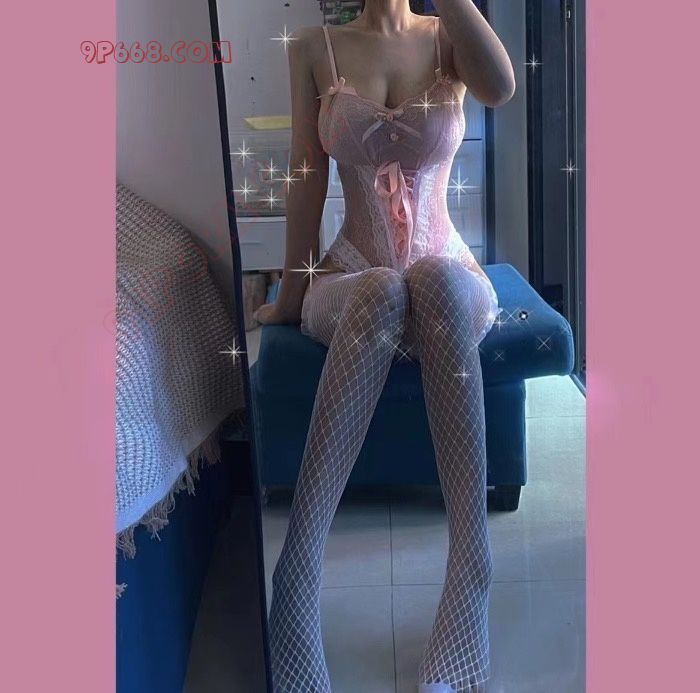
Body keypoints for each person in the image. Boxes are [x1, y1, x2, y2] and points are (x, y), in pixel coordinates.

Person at [253, 1, 515, 690]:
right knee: (382, 289)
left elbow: (501, 88)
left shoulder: (448, 38)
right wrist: (289, 296)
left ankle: (472, 569)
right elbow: (307, 175)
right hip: (353, 273)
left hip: (447, 273)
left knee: (432, 280)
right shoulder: (314, 46)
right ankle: (296, 576)